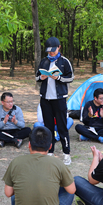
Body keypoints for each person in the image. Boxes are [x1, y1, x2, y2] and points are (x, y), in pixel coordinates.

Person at [3, 126, 76, 205]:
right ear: (50, 146)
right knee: (69, 188)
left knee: (16, 192)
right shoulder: (58, 163)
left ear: (29, 145)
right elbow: (71, 190)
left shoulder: (16, 162)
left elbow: (8, 193)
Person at [35, 36, 74, 165]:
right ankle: (50, 152)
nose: (51, 53)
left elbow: (71, 78)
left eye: (53, 50)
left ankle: (66, 153)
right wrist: (41, 77)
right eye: (49, 51)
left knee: (62, 127)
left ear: (59, 47)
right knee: (48, 127)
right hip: (45, 99)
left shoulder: (64, 61)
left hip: (59, 99)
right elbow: (37, 77)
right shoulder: (44, 61)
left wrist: (59, 78)